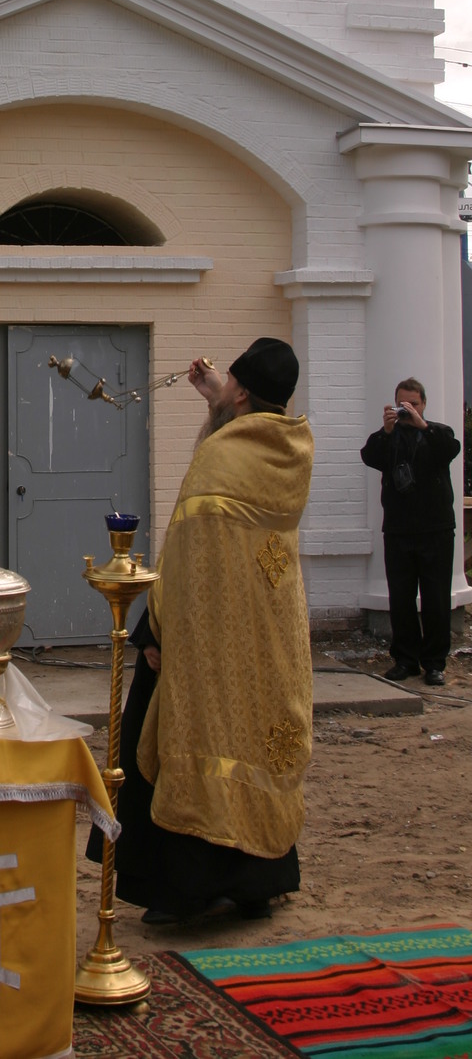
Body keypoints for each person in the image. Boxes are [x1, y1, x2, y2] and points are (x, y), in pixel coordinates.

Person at [88, 336, 314, 925]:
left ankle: (184, 888)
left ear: (240, 389)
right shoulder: (291, 449)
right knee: (253, 731)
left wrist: (154, 629)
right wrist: (221, 399)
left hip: (209, 633)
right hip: (270, 629)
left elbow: (189, 554)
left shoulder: (221, 456)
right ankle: (256, 883)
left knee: (193, 732)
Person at [360, 378, 459, 688]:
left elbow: (450, 449)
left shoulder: (437, 433)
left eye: (413, 404)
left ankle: (434, 664)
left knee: (436, 599)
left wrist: (422, 425)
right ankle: (405, 659)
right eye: (402, 404)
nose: (408, 409)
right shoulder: (388, 438)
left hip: (436, 529)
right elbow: (370, 456)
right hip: (400, 530)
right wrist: (387, 429)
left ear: (423, 404)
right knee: (401, 599)